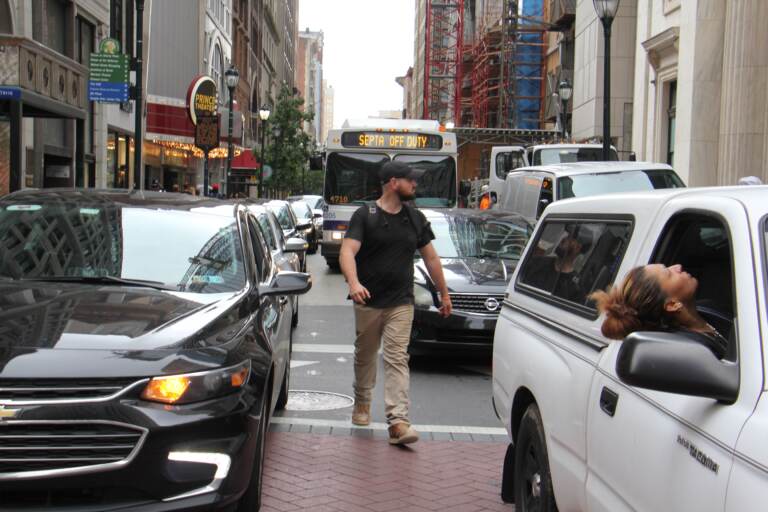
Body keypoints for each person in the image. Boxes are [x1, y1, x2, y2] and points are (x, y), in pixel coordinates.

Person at [339, 160, 452, 445]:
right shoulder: (365, 215)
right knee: (365, 356)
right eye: (410, 180)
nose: (415, 184)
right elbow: (347, 252)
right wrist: (354, 283)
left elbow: (431, 258)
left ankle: (398, 421)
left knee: (397, 357)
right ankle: (362, 401)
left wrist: (444, 293)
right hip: (368, 300)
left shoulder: (415, 218)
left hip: (401, 301)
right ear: (393, 183)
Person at [591, 263, 728, 358]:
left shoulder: (708, 309)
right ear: (672, 304)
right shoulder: (689, 350)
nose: (678, 267)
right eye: (669, 273)